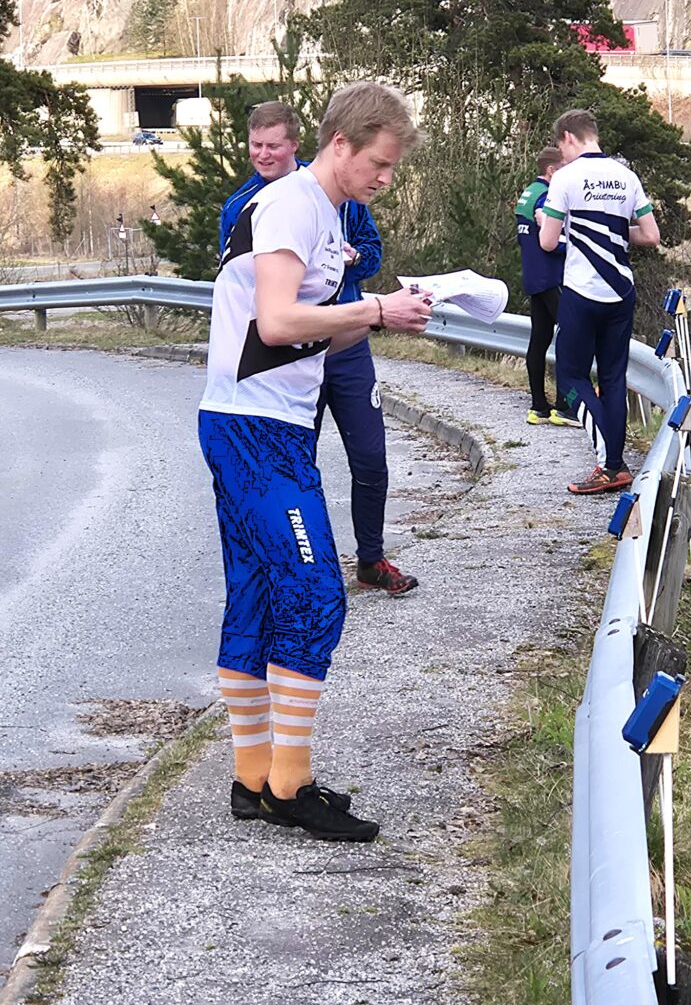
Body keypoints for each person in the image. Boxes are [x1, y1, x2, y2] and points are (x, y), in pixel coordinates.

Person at [199, 82, 430, 843]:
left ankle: (253, 778)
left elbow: (310, 335)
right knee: (317, 593)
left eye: (391, 169)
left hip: (270, 422)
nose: (384, 179)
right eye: (379, 164)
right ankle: (290, 787)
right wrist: (373, 308)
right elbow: (276, 321)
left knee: (258, 595)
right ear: (341, 143)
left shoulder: (325, 214)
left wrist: (394, 313)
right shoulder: (292, 205)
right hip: (253, 428)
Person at [219, 103, 418, 596]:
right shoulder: (250, 204)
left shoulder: (339, 195)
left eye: (274, 145)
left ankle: (370, 558)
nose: (264, 154)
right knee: (298, 478)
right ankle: (307, 557)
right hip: (277, 372)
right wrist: (374, 309)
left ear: (296, 146)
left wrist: (353, 265)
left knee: (370, 458)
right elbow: (256, 304)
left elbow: (371, 252)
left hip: (343, 344)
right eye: (256, 146)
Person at [539, 109, 660, 494]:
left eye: (560, 145)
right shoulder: (626, 176)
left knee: (571, 378)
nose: (561, 153)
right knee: (612, 379)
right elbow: (651, 235)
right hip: (621, 292)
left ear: (568, 137)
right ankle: (614, 465)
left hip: (583, 291)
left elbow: (547, 242)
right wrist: (613, 232)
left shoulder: (566, 177)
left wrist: (553, 223)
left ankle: (610, 465)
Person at [515, 146, 579, 428]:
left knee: (539, 341)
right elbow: (549, 237)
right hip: (553, 277)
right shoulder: (546, 196)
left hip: (534, 277)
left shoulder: (528, 193)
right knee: (572, 337)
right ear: (552, 171)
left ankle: (538, 407)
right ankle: (564, 407)